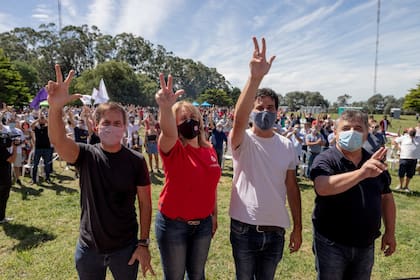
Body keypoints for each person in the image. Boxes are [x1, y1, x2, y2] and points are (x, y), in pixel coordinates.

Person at [46, 64, 154, 279]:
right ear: (96, 126)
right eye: (106, 123)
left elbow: (145, 204)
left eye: (117, 123)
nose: (111, 127)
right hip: (89, 249)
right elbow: (58, 141)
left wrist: (143, 243)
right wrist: (55, 108)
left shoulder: (137, 160)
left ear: (125, 127)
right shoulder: (85, 155)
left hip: (126, 248)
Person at [229, 37, 302, 279]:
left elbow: (292, 188)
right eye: (259, 107)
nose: (265, 112)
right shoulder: (243, 140)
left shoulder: (287, 145)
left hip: (276, 231)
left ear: (278, 112)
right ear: (252, 110)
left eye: (270, 107)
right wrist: (255, 78)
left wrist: (298, 226)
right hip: (244, 228)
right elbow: (238, 120)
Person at [310, 110, 396, 280]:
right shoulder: (325, 159)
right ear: (335, 133)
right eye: (346, 128)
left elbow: (386, 197)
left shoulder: (374, 161)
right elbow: (322, 187)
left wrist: (390, 232)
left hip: (366, 243)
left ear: (366, 134)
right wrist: (362, 173)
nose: (352, 132)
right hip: (332, 242)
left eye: (358, 128)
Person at [155, 73, 221, 279]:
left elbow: (211, 185)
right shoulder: (172, 148)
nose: (190, 121)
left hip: (202, 225)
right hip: (174, 224)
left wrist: (214, 214)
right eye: (183, 119)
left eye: (193, 117)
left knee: (198, 275)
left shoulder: (209, 149)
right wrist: (165, 108)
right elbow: (167, 132)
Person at [393, 127, 419, 192]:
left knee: (410, 174)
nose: (412, 132)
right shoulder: (404, 137)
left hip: (414, 159)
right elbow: (394, 141)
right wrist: (399, 148)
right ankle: (400, 186)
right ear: (408, 132)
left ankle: (406, 187)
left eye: (413, 131)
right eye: (411, 131)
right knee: (401, 173)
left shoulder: (418, 138)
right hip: (404, 158)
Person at [30, 111, 53, 184]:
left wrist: (44, 118)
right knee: (35, 164)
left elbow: (51, 124)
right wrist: (38, 119)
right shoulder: (36, 127)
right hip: (38, 148)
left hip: (47, 148)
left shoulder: (47, 127)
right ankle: (33, 179)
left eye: (42, 118)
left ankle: (47, 178)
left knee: (47, 164)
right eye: (41, 118)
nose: (42, 119)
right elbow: (31, 125)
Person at [0, 134, 17, 223]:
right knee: (3, 197)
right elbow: (12, 159)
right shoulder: (2, 150)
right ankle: (1, 218)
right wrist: (15, 147)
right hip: (3, 177)